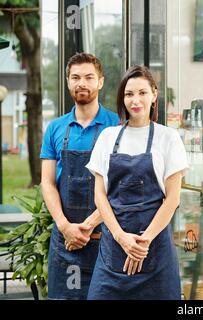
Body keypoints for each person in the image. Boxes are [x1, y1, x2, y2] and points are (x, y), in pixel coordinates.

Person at [86, 65, 188, 300]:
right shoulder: (108, 137)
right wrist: (122, 238)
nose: (135, 100)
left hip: (154, 250)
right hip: (114, 249)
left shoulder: (168, 138)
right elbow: (99, 196)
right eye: (129, 94)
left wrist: (142, 244)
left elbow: (172, 199)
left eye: (142, 92)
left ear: (154, 95)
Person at [40, 53, 119, 299]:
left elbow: (119, 187)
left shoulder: (116, 126)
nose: (81, 83)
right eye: (75, 77)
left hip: (105, 236)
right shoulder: (55, 128)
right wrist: (65, 227)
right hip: (65, 239)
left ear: (101, 81)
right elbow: (48, 182)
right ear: (67, 82)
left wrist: (88, 226)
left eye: (88, 77)